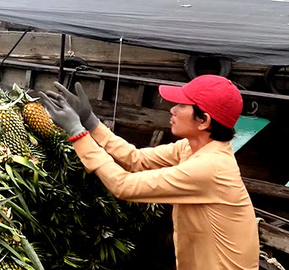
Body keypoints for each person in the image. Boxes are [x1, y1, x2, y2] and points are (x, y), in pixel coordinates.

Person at [38, 75, 259, 270]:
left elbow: (124, 186)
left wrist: (78, 133)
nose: (172, 109)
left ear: (203, 121)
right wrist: (91, 123)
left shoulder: (210, 168)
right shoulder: (191, 148)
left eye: (182, 105)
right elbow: (136, 159)